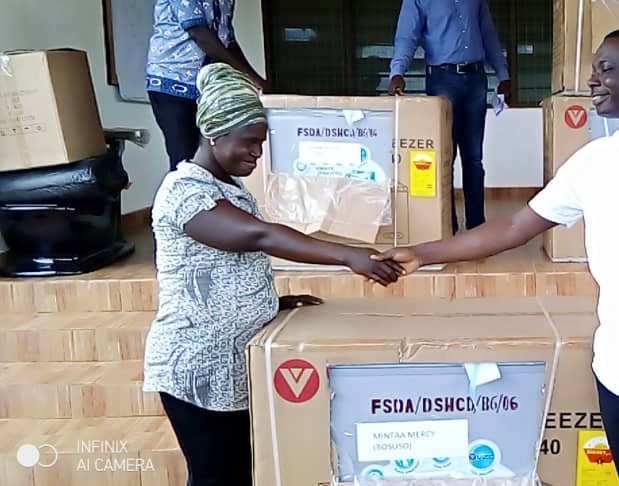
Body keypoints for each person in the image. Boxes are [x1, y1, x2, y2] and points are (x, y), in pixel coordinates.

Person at [374, 27, 619, 485]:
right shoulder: (593, 163)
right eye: (593, 69)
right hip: (617, 375)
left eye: (606, 69)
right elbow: (514, 227)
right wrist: (422, 253)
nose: (592, 81)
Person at [142, 63, 403, 486]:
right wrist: (349, 256)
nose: (257, 154)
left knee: (240, 472)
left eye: (261, 144)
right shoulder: (184, 190)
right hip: (198, 364)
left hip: (233, 359)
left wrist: (268, 303)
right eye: (248, 143)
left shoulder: (229, 187)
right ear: (214, 134)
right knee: (215, 476)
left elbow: (221, 268)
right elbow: (257, 235)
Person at [387, 0, 511, 233]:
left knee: (474, 157)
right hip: (442, 79)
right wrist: (397, 72)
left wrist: (503, 75)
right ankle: (447, 225)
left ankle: (477, 226)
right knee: (446, 156)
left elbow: (488, 35)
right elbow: (406, 36)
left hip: (476, 80)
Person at [146, 0, 269, 171]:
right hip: (173, 84)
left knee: (215, 156)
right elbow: (199, 33)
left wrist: (257, 81)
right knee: (186, 158)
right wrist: (250, 78)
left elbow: (227, 42)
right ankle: (184, 189)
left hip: (209, 89)